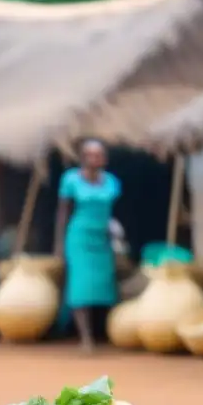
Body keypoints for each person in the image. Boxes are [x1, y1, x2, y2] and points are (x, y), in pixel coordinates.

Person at [54, 139, 122, 353]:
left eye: (100, 154)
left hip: (103, 238)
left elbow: (113, 213)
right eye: (91, 155)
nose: (96, 158)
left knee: (104, 285)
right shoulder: (71, 180)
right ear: (83, 158)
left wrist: (117, 237)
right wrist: (58, 244)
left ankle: (107, 334)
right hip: (79, 237)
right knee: (80, 286)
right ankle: (86, 339)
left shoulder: (112, 182)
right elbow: (63, 213)